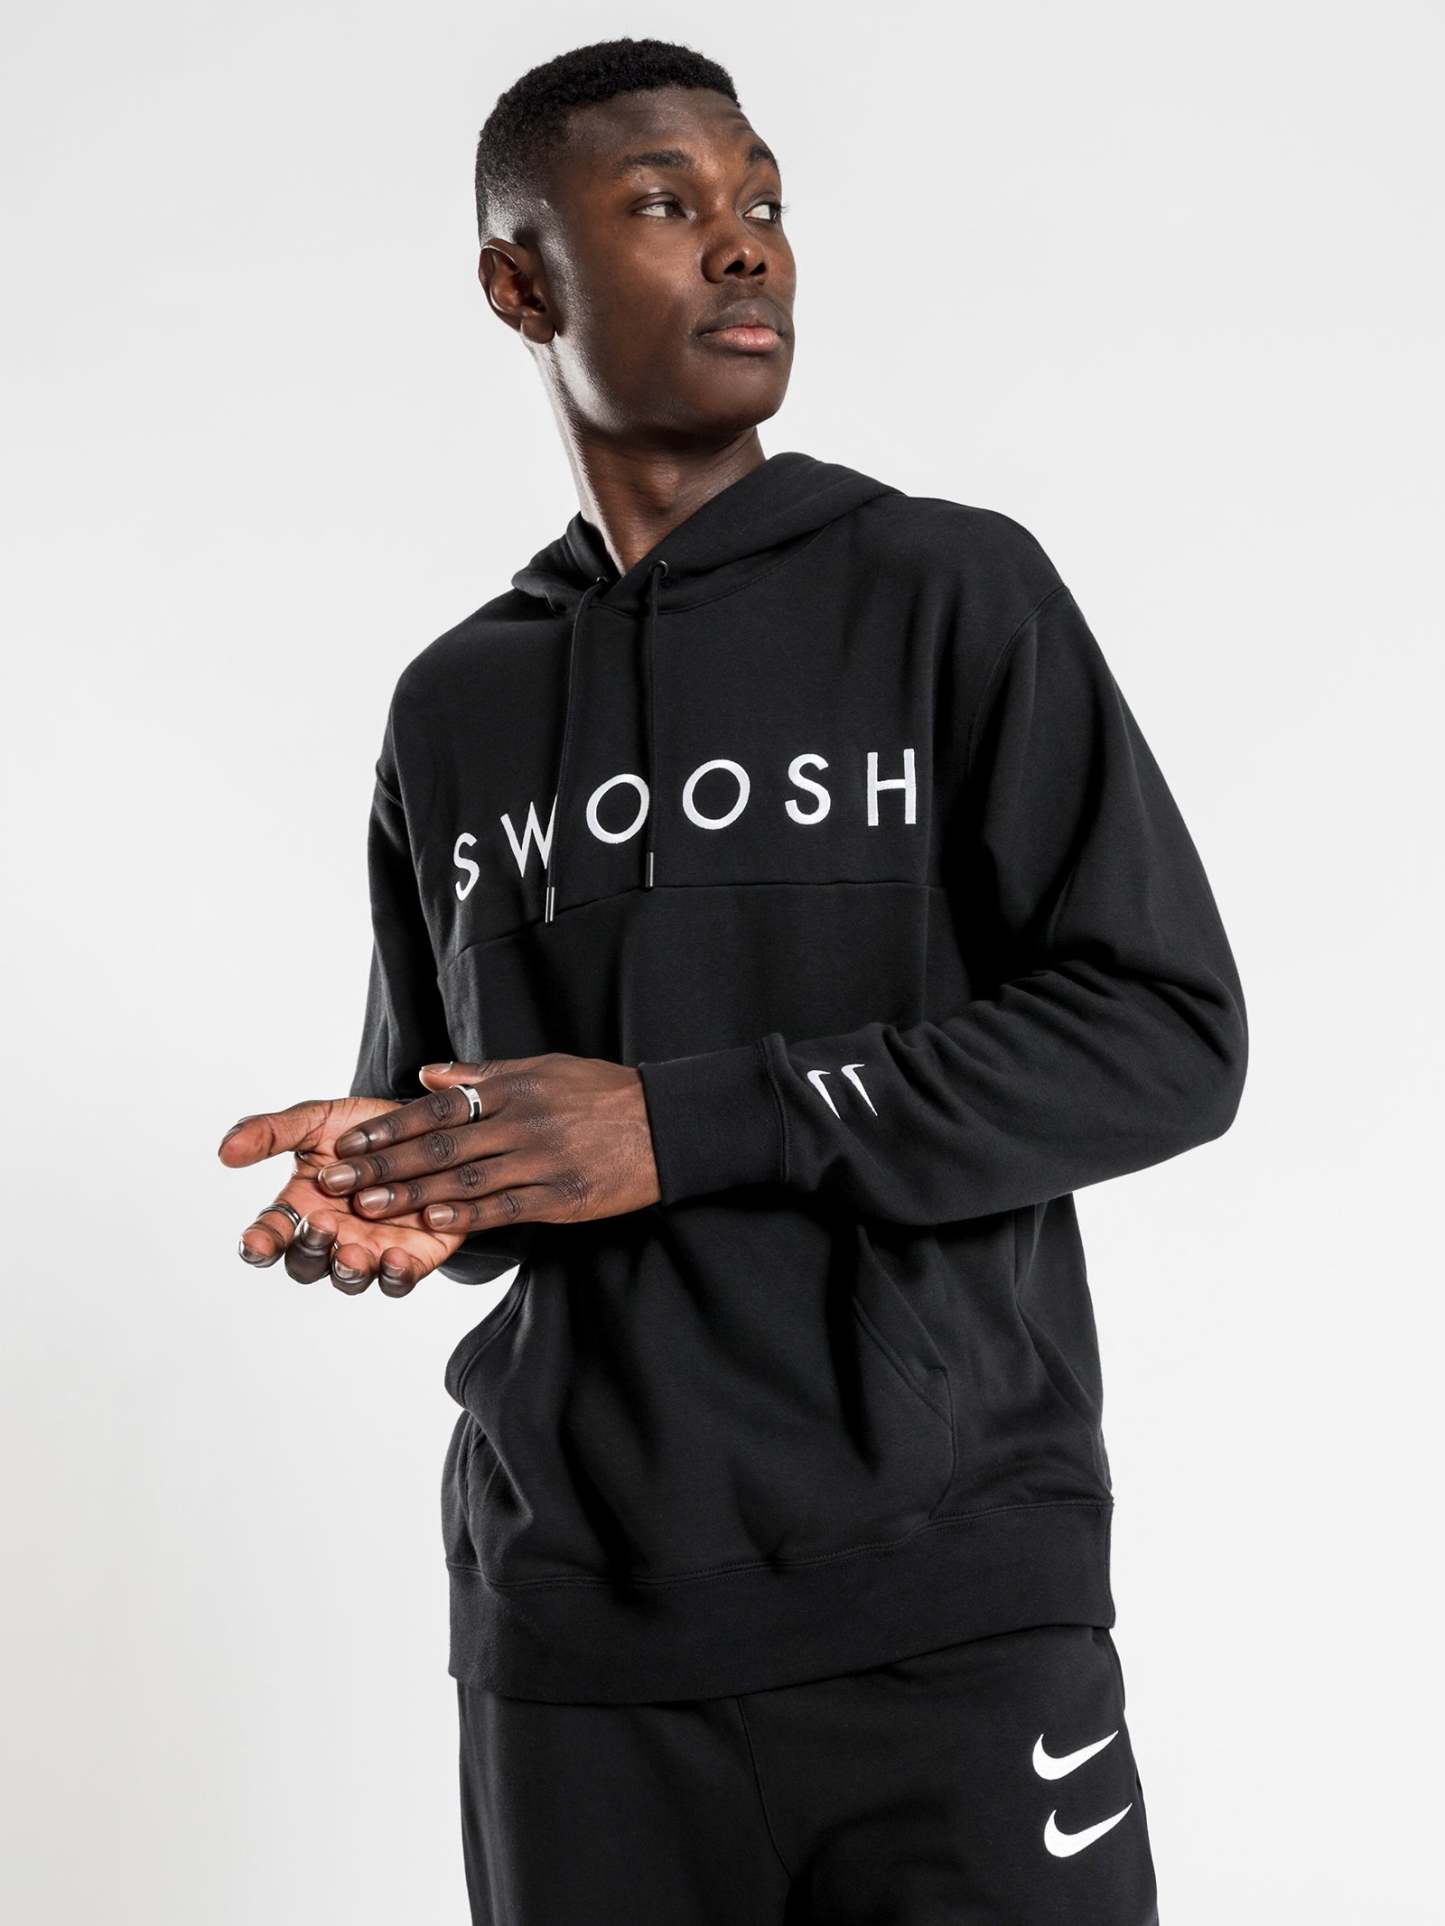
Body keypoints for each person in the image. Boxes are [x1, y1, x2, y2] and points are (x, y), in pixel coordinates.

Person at [217, 34, 1247, 1924]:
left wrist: (683, 1121)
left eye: (760, 199)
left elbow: (1163, 1032)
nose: (744, 242)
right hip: (570, 1644)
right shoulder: (457, 705)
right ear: (520, 284)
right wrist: (412, 1182)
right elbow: (475, 1115)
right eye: (665, 204)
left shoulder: (948, 592)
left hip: (947, 1604)